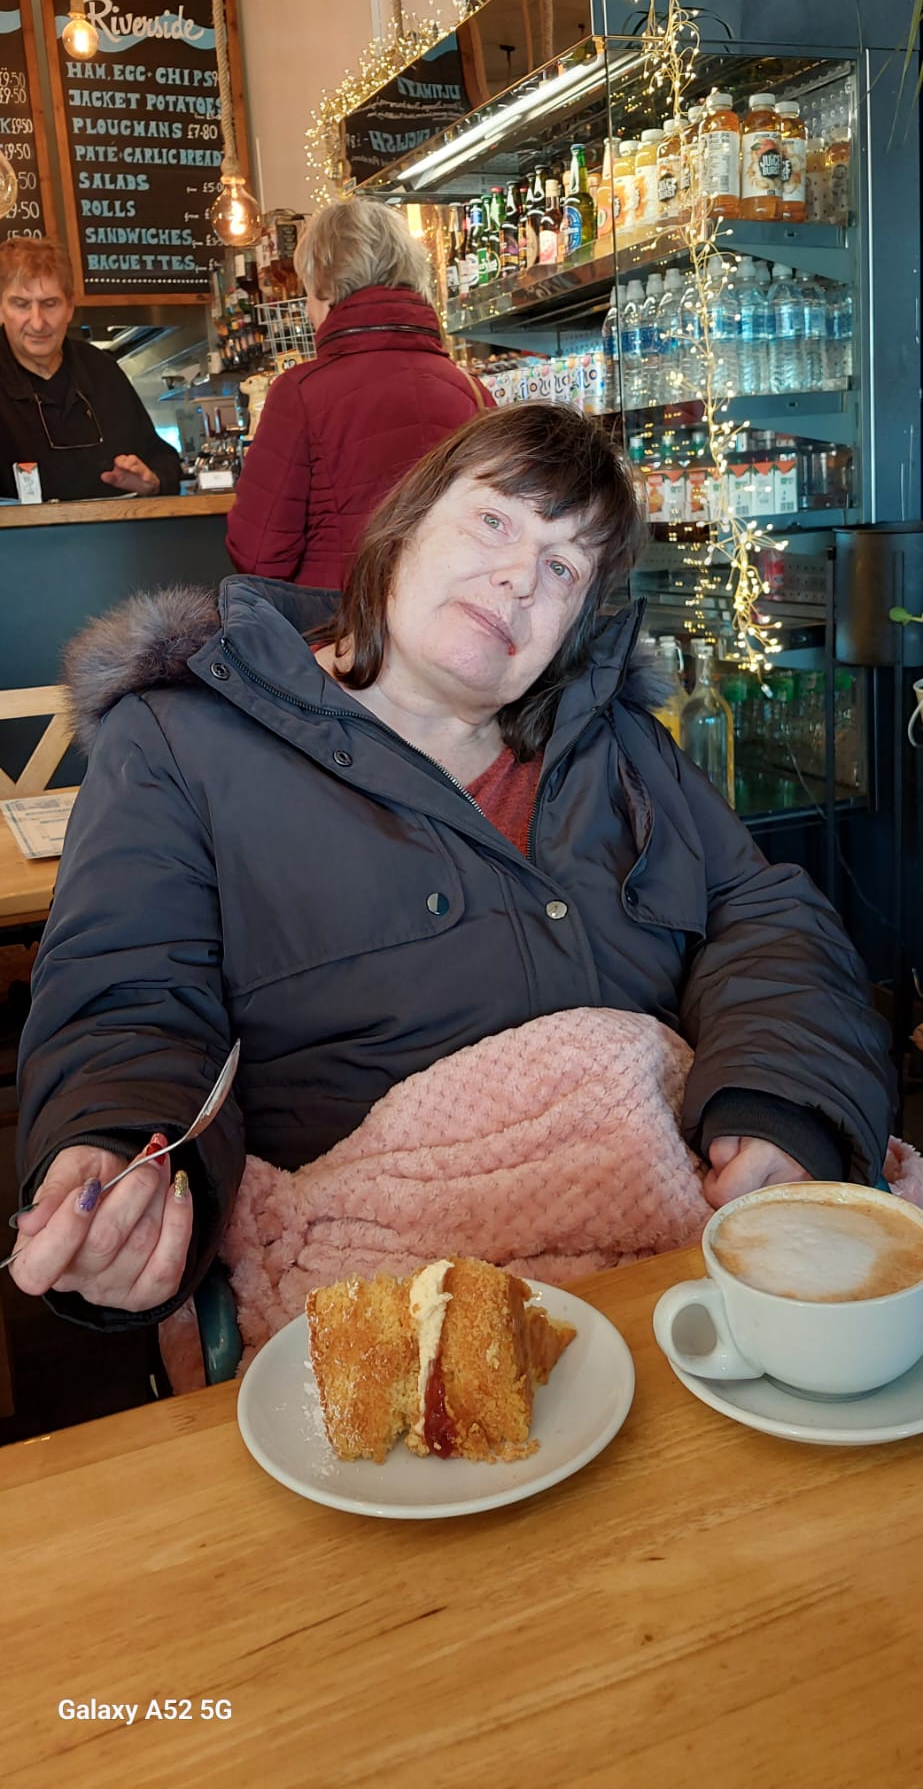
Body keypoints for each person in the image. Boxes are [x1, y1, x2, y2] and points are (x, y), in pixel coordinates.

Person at [12, 403, 895, 1329]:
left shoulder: (618, 740)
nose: (519, 576)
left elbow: (763, 918)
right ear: (403, 527)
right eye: (494, 521)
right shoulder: (181, 741)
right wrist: (124, 1152)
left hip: (680, 1268)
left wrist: (784, 1102)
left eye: (563, 567)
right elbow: (130, 999)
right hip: (390, 1300)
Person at [224, 196, 492, 588]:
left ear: (328, 289)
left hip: (338, 618)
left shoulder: (299, 394)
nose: (308, 312)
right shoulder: (474, 393)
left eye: (308, 293)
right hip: (447, 616)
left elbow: (260, 554)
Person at [0, 237, 182, 502]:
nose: (37, 323)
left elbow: (163, 459)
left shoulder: (102, 370)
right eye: (21, 304)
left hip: (116, 529)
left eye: (50, 304)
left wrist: (152, 481)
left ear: (70, 307)